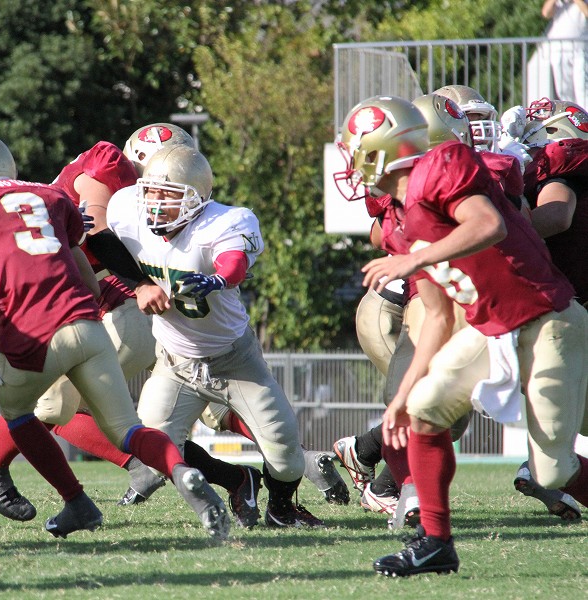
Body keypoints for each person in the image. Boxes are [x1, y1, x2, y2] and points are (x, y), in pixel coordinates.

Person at [0, 131, 230, 540]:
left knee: (19, 414)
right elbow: (86, 265)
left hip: (34, 332)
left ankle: (75, 500)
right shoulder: (50, 196)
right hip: (88, 324)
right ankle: (180, 470)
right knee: (129, 430)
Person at [339, 95, 588, 576]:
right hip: (489, 326)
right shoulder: (401, 222)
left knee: (552, 470)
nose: (352, 165)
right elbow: (436, 316)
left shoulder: (444, 164)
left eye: (356, 152)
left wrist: (415, 258)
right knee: (424, 407)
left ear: (381, 149)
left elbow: (488, 224)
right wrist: (401, 396)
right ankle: (435, 544)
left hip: (547, 318)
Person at [105, 144, 324, 528]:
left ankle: (282, 509)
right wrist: (139, 283)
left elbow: (233, 262)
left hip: (234, 359)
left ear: (197, 198)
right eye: (151, 192)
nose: (155, 203)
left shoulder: (225, 221)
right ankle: (237, 480)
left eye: (168, 195)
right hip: (175, 362)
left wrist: (218, 280)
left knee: (284, 450)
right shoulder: (126, 209)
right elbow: (103, 245)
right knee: (152, 452)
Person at [510, 99, 588, 520]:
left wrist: (502, 230)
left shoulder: (561, 175)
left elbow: (557, 216)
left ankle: (543, 469)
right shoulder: (568, 173)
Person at [542, 0, 588, 108]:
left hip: (581, 49)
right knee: (564, 90)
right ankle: (570, 114)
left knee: (583, 89)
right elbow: (546, 13)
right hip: (559, 49)